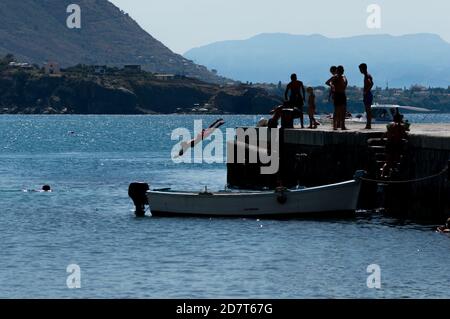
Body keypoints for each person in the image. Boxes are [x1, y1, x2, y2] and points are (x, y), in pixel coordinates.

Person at [331, 66, 348, 130]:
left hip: (342, 94)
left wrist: (344, 86)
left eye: (342, 70)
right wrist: (333, 89)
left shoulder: (344, 77)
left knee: (343, 110)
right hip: (337, 94)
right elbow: (331, 83)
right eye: (340, 70)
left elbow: (345, 83)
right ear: (337, 71)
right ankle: (334, 125)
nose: (341, 71)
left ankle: (342, 125)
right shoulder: (335, 77)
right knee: (336, 110)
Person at [359, 63, 374, 129]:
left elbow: (371, 83)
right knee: (368, 110)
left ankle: (368, 125)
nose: (360, 71)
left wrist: (366, 91)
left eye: (360, 69)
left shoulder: (367, 75)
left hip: (367, 94)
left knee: (368, 110)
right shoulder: (367, 75)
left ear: (363, 69)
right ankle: (368, 124)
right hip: (368, 94)